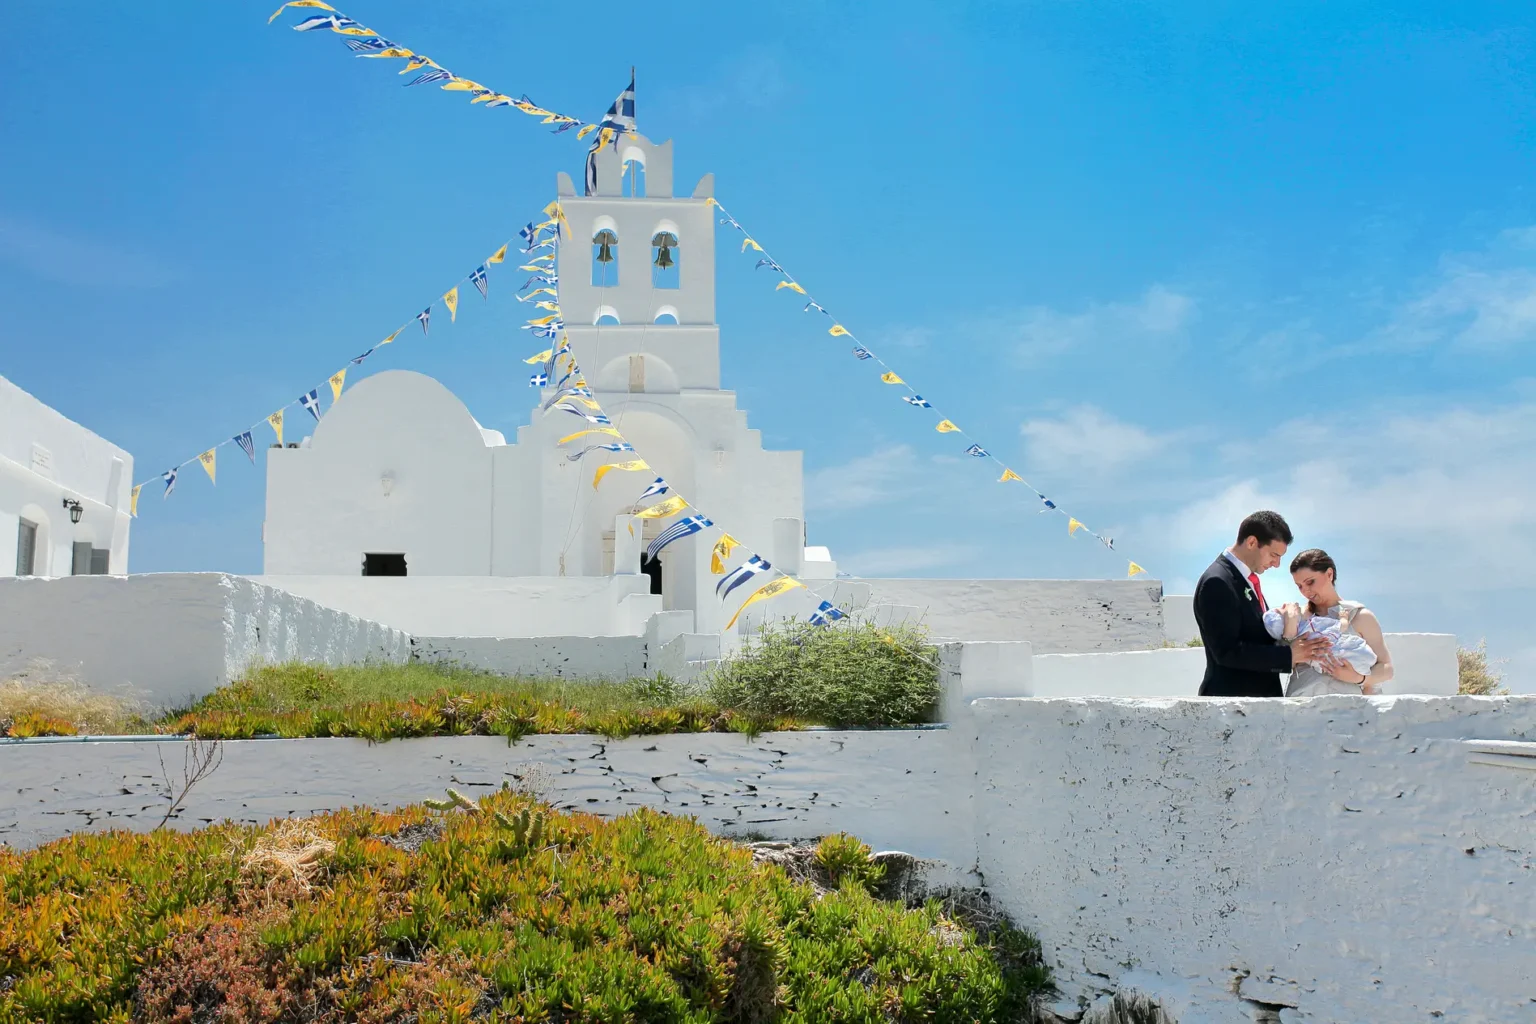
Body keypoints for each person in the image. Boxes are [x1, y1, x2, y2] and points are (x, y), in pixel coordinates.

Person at [1193, 511, 1332, 697]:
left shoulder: (1243, 579)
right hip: (1233, 706)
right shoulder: (1218, 581)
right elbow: (1227, 651)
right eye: (1274, 555)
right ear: (1252, 543)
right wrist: (1289, 655)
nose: (1276, 564)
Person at [1279, 548, 1394, 697]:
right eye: (1299, 586)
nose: (1305, 591)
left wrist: (1358, 678)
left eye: (1310, 582)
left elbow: (1387, 667)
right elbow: (1278, 664)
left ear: (1329, 574)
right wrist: (1292, 646)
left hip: (1348, 711)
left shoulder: (1360, 616)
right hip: (1300, 708)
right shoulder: (1296, 617)